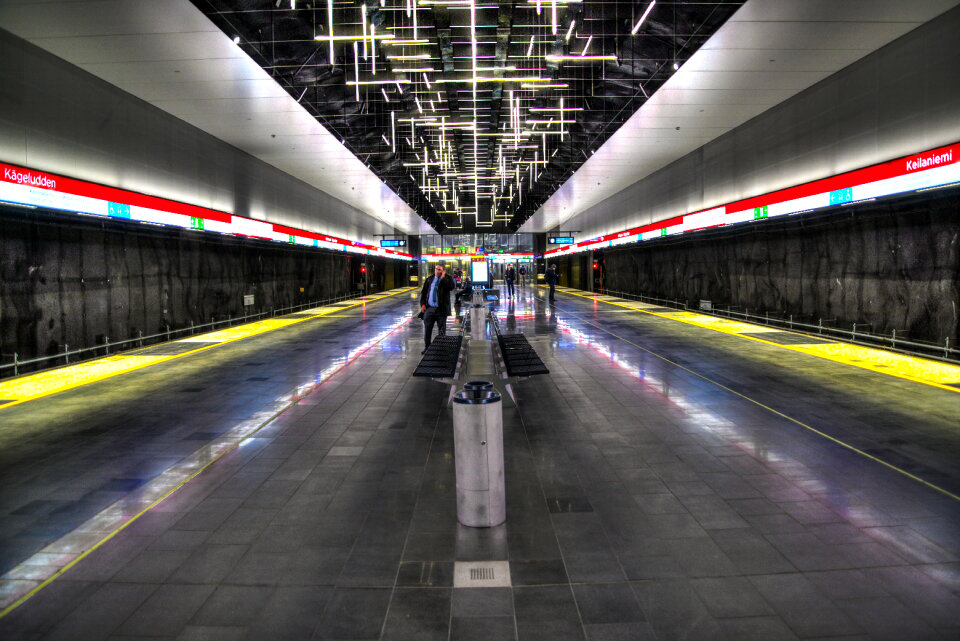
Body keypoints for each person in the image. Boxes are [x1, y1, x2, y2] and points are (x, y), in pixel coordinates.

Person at [419, 264, 455, 353]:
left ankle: (441, 348)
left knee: (442, 330)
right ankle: (427, 347)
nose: (437, 271)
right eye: (436, 269)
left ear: (443, 271)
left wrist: (443, 278)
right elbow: (424, 292)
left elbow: (451, 287)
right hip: (430, 308)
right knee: (427, 329)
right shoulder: (429, 279)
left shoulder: (447, 279)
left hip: (441, 309)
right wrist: (423, 304)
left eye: (440, 270)